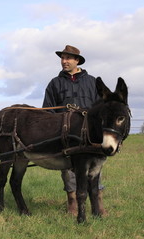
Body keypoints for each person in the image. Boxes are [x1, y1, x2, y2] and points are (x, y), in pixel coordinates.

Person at [42, 45, 106, 216]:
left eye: (68, 58)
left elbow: (101, 107)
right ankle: (72, 200)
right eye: (62, 58)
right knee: (69, 169)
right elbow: (48, 110)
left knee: (94, 167)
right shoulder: (55, 83)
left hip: (90, 135)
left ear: (77, 60)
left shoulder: (92, 81)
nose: (64, 61)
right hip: (66, 135)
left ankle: (98, 200)